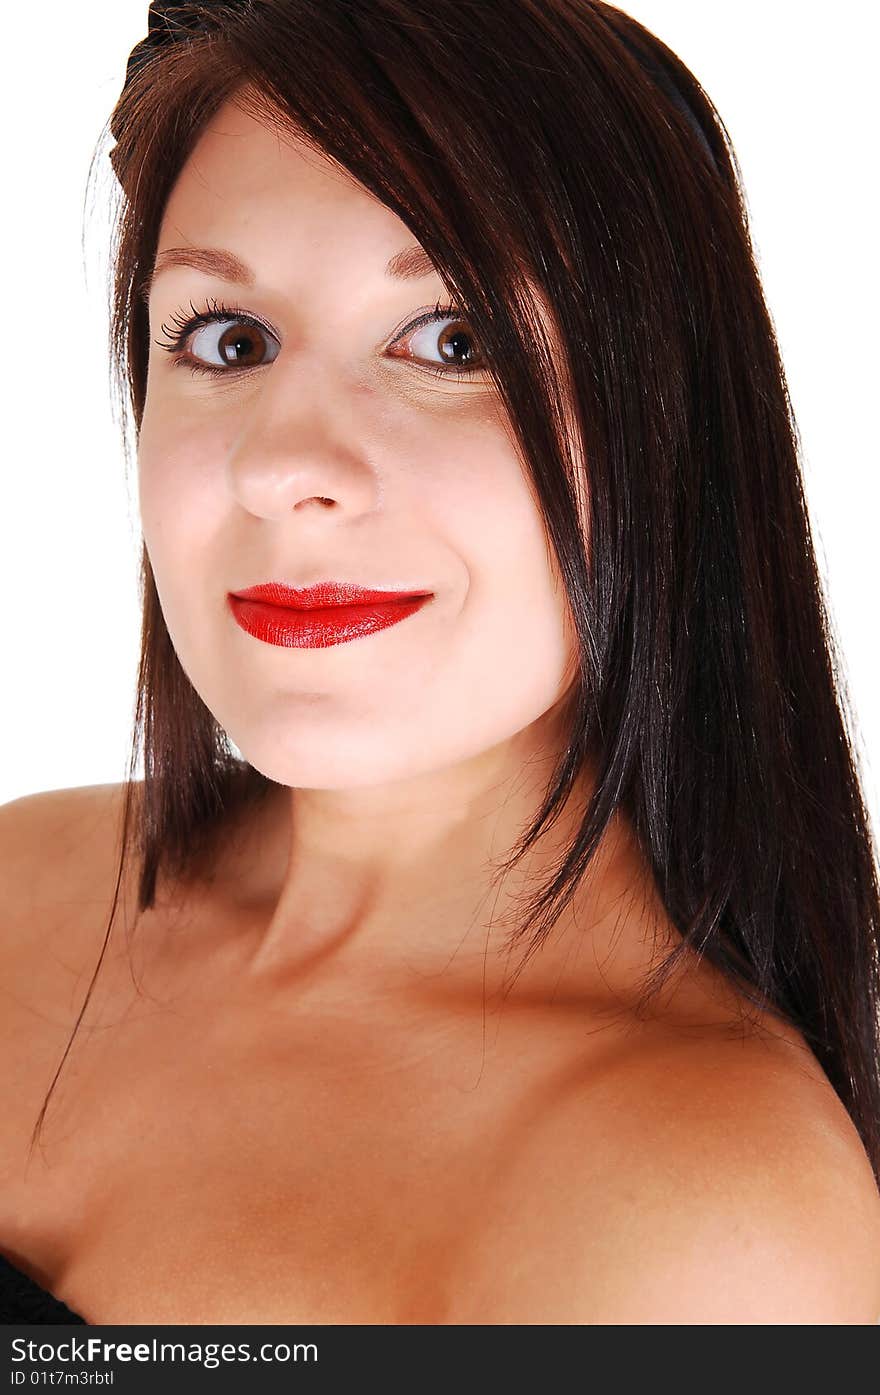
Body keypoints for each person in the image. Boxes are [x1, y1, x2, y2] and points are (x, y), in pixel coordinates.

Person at [2, 0, 879, 1326]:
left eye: (453, 342)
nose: (283, 465)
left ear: (668, 435)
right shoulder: (21, 883)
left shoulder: (711, 1228)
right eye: (227, 339)